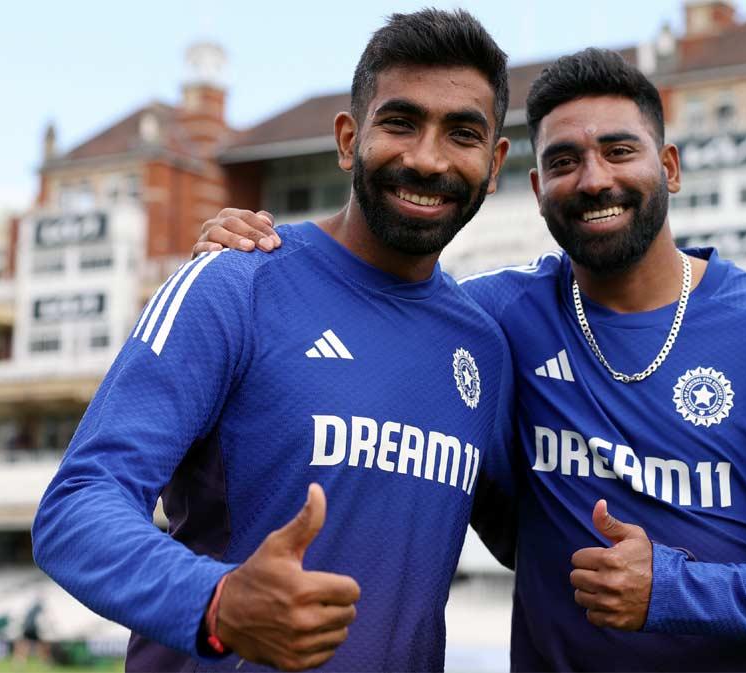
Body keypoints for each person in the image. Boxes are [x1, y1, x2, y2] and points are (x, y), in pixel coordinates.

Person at [197, 48, 746, 672]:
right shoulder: (493, 317)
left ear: (669, 167)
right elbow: (375, 304)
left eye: (619, 151)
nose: (594, 179)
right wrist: (252, 253)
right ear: (535, 186)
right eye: (563, 161)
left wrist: (675, 589)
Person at [32, 9, 515, 672]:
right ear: (348, 139)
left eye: (462, 134)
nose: (427, 159)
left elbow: (531, 539)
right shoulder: (236, 282)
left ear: (495, 164)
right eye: (401, 122)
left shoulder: (484, 348)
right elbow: (76, 506)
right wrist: (218, 602)